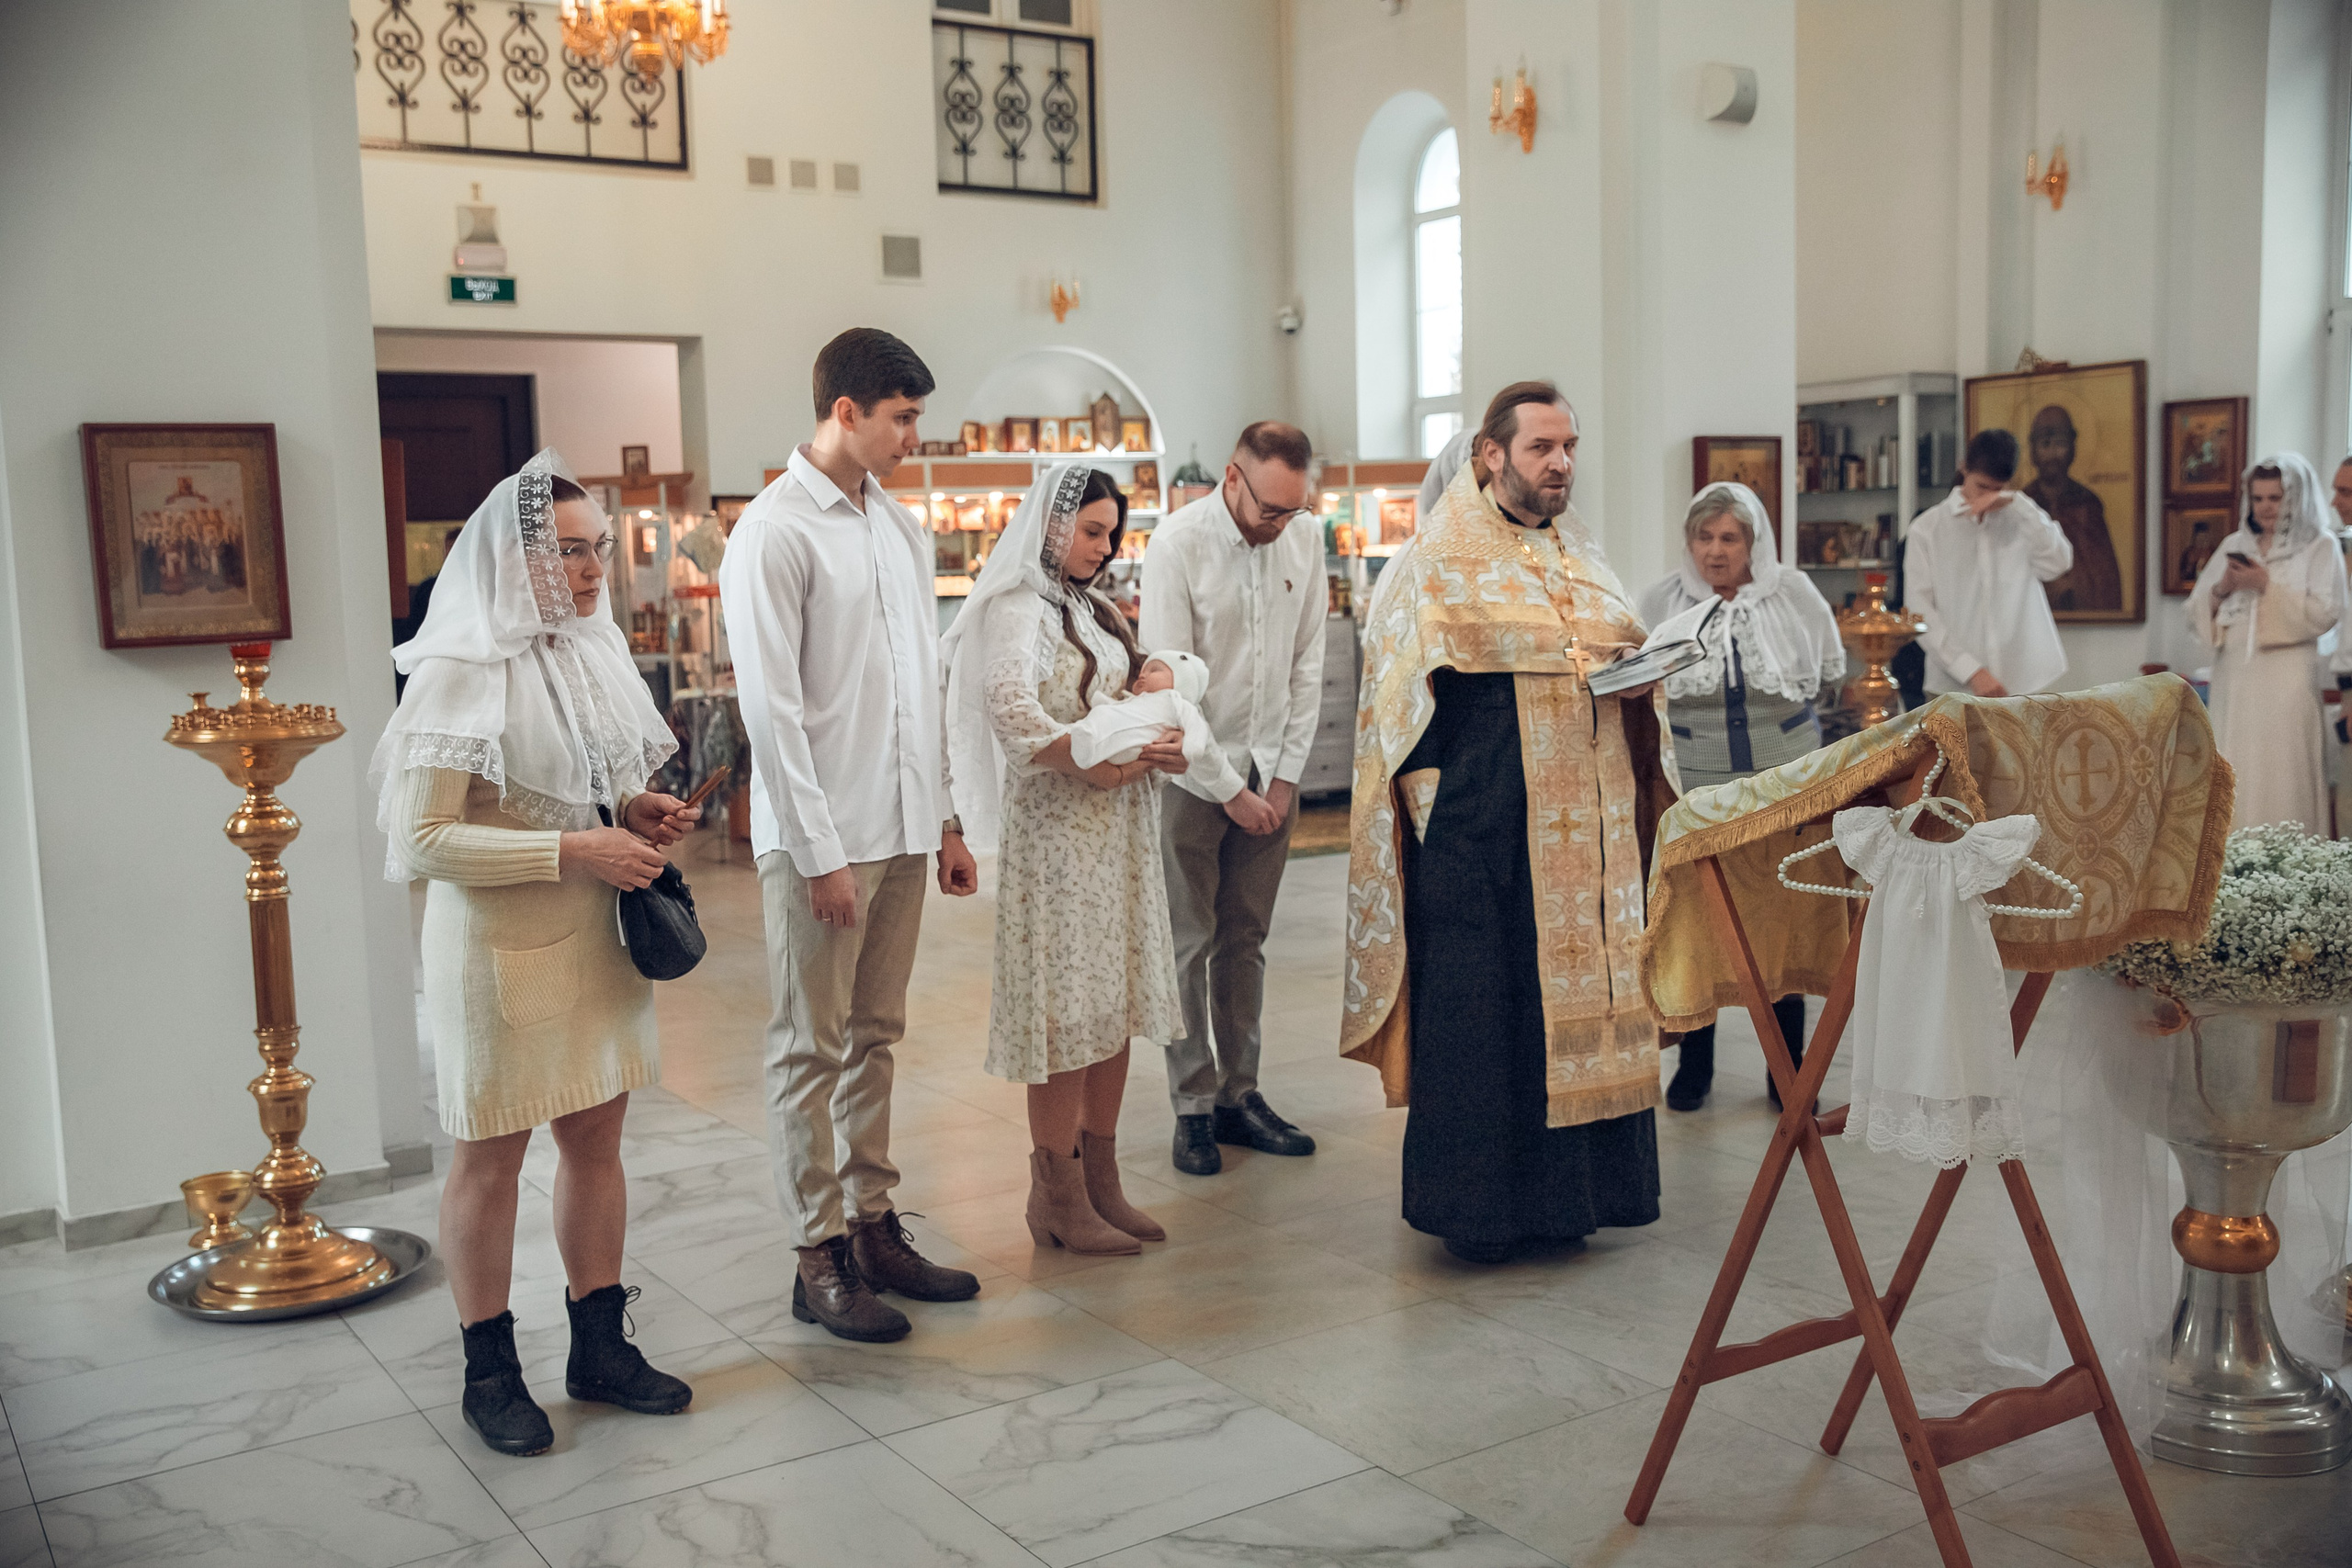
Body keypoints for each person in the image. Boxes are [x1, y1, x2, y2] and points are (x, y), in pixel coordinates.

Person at [372, 450, 699, 1458]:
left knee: (596, 1142)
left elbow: (580, 790)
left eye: (596, 548)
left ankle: (598, 1345)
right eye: (566, 552)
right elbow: (420, 841)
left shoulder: (587, 653)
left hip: (593, 936)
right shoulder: (461, 669)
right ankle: (490, 1370)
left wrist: (631, 813)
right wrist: (573, 846)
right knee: (490, 1159)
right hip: (497, 949)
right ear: (510, 560)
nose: (593, 570)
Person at [1341, 381, 1672, 1265]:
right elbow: (1394, 702)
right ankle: (1481, 1213)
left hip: (1588, 834)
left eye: (1569, 447)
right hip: (1482, 830)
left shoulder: (1585, 555)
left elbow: (1607, 655)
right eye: (1541, 448)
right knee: (1488, 1018)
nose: (1561, 463)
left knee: (1574, 1008)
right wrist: (1438, 810)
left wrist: (1640, 680)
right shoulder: (1436, 560)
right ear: (1491, 454)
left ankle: (1580, 1200)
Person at [717, 328, 981, 1346]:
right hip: (824, 838)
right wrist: (821, 852)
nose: (916, 436)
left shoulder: (899, 527)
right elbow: (773, 712)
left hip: (905, 824)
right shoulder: (775, 531)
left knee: (876, 1038)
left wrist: (946, 818)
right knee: (808, 1047)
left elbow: (925, 687)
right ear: (845, 412)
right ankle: (813, 1248)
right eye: (903, 418)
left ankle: (874, 1225)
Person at [942, 463, 1188, 1255]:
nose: (1104, 545)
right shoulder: (1019, 607)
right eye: (1091, 531)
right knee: (1068, 1008)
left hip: (1117, 826)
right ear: (1048, 526)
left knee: (1112, 999)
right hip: (1058, 828)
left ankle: (1101, 1179)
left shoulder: (1095, 605)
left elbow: (1135, 689)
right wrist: (1091, 763)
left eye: (1112, 532)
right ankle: (1054, 1192)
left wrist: (1165, 733)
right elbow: (1010, 706)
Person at [1137, 423, 1325, 1176]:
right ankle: (1191, 1103)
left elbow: (1310, 663)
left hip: (1271, 769)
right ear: (1232, 478)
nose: (1279, 525)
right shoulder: (1176, 544)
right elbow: (1169, 688)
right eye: (1269, 509)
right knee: (1189, 940)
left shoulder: (1302, 538)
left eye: (1293, 511)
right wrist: (1229, 790)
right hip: (1192, 774)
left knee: (1245, 939)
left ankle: (1239, 1094)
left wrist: (1280, 779)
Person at [1636, 481, 1845, 1113]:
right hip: (1697, 790)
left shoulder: (1794, 595)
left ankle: (1789, 1071)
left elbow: (1830, 679)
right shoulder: (1663, 601)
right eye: (1704, 537)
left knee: (1784, 922)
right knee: (1701, 923)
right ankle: (1695, 1065)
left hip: (1786, 788)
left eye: (1730, 537)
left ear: (1755, 543)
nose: (1715, 551)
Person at [2187, 453, 2348, 832]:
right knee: (2236, 766)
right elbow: (2195, 610)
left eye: (2274, 498)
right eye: (2257, 498)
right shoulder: (2236, 542)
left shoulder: (2320, 546)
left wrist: (2265, 587)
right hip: (2237, 680)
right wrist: (2224, 588)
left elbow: (2326, 612)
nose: (2265, 507)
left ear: (2295, 497)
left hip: (2288, 680)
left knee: (2283, 772)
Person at [1905, 428, 2073, 698]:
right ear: (1963, 468)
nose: (1988, 497)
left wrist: (2019, 504)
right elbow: (1919, 611)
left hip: (2027, 678)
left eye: (1998, 489)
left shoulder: (2021, 519)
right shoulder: (1926, 529)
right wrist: (1971, 671)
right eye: (1982, 487)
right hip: (1954, 686)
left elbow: (2059, 564)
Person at [1066, 651, 1240, 796]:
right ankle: (1084, 738)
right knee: (1102, 713)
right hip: (1120, 731)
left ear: (1181, 681)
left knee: (1117, 730)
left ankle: (1088, 746)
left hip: (1138, 746)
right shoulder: (1136, 700)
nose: (1143, 674)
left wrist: (1190, 748)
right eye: (1143, 670)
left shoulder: (1177, 702)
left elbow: (1197, 729)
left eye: (1154, 670)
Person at [2023, 406, 2121, 614]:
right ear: (2033, 451)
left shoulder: (2087, 503)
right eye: (2045, 444)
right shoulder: (2024, 503)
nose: (2052, 454)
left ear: (2072, 449)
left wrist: (2074, 584)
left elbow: (2104, 576)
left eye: (2060, 444)